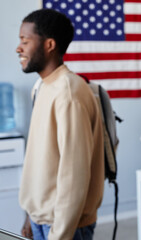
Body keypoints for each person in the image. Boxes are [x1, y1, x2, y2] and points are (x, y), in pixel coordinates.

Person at [16, 9, 104, 240]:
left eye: (25, 41)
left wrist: (60, 234)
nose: (19, 48)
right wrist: (31, 214)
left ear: (49, 44)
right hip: (42, 219)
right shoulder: (43, 86)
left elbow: (74, 176)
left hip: (64, 225)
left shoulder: (68, 93)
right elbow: (42, 161)